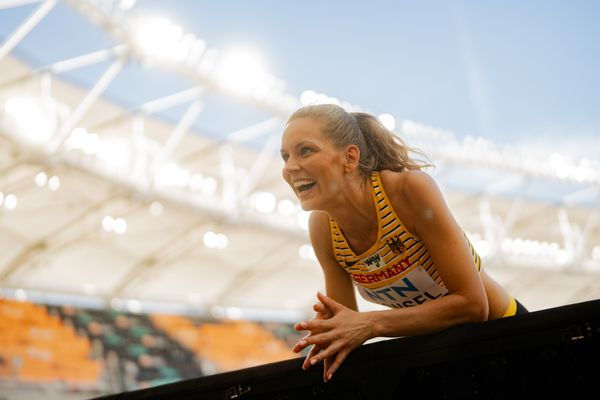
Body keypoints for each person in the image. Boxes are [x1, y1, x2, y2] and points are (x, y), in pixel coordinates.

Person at [279, 103, 528, 382]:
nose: (289, 168)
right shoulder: (322, 227)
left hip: (507, 335)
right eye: (285, 156)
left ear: (349, 157)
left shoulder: (408, 191)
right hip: (438, 355)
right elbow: (345, 326)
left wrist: (369, 324)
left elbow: (473, 305)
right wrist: (330, 332)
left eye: (306, 151)